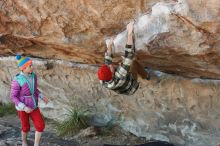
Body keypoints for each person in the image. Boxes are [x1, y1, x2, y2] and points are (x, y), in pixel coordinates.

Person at [97, 21, 150, 95]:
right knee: (133, 62)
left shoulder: (103, 79)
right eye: (109, 68)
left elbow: (107, 62)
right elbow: (129, 55)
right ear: (112, 74)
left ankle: (129, 71)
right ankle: (146, 76)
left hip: (122, 85)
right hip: (131, 86)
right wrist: (129, 32)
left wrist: (109, 45)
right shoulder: (119, 76)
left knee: (118, 65)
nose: (109, 65)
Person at [10, 55, 49, 146]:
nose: (32, 67)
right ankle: (24, 141)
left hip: (34, 106)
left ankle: (36, 144)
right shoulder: (17, 80)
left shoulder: (33, 76)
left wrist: (42, 96)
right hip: (22, 108)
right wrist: (24, 107)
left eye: (31, 65)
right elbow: (13, 97)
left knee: (40, 125)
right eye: (30, 66)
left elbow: (34, 90)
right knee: (25, 126)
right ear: (23, 68)